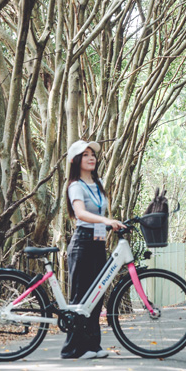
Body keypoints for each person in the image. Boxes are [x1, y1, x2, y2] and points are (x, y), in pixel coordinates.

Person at [62, 139, 125, 359]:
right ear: (75, 160)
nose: (91, 158)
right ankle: (73, 349)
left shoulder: (98, 184)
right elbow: (80, 213)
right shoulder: (75, 185)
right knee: (81, 297)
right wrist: (107, 221)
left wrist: (111, 224)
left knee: (97, 297)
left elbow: (99, 212)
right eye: (85, 154)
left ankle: (93, 346)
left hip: (98, 243)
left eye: (93, 154)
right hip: (82, 243)